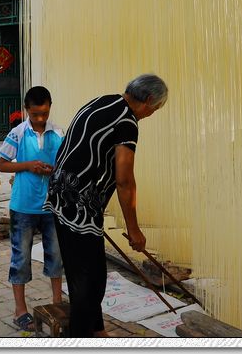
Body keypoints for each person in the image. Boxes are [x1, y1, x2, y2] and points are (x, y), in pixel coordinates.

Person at [45, 74, 168, 338]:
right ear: (147, 100)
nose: (152, 114)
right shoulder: (127, 122)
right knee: (89, 284)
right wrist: (134, 230)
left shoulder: (104, 101)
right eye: (155, 109)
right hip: (79, 206)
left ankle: (97, 330)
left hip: (60, 192)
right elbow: (124, 180)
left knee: (86, 275)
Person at [0, 86, 66, 331]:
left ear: (49, 108)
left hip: (52, 207)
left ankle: (58, 302)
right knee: (21, 258)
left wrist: (52, 170)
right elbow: (2, 165)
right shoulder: (17, 133)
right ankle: (20, 310)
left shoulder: (58, 133)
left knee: (56, 256)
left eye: (44, 113)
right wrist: (27, 166)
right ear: (27, 110)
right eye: (35, 114)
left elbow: (65, 166)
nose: (40, 119)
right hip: (23, 206)